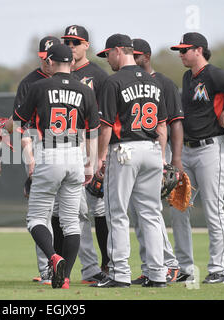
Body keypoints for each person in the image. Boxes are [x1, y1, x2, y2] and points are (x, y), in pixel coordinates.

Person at [5, 43, 100, 289]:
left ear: (50, 61)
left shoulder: (38, 87)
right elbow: (92, 132)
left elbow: (19, 122)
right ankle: (65, 277)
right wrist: (90, 165)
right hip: (75, 156)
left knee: (36, 218)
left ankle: (53, 257)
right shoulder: (85, 89)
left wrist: (27, 156)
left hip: (49, 152)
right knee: (71, 222)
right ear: (71, 62)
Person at [169, 32, 224, 284]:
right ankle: (184, 267)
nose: (181, 54)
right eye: (179, 50)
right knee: (178, 207)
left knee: (213, 210)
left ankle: (218, 269)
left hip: (210, 149)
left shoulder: (214, 74)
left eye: (184, 50)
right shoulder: (188, 77)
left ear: (199, 50)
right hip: (187, 149)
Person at [91, 34, 168, 288]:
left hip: (125, 150)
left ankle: (119, 273)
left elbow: (104, 128)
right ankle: (158, 273)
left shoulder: (114, 82)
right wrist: (163, 158)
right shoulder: (153, 82)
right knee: (152, 215)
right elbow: (163, 125)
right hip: (153, 149)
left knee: (117, 214)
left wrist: (100, 159)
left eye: (107, 54)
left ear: (117, 51)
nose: (107, 60)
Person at [51, 25, 110, 284]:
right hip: (66, 153)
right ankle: (85, 269)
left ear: (87, 45)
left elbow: (105, 119)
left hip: (92, 151)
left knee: (100, 212)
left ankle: (108, 265)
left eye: (76, 42)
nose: (71, 45)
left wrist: (99, 158)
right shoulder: (57, 76)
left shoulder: (99, 75)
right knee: (74, 214)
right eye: (67, 41)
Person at [129, 38, 184, 284]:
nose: (133, 59)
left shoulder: (164, 83)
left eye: (137, 55)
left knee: (151, 212)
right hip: (135, 155)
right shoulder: (125, 82)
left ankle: (169, 264)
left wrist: (174, 159)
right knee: (138, 214)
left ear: (147, 57)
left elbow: (175, 124)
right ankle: (151, 267)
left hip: (157, 154)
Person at [14, 36, 61, 285]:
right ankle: (47, 269)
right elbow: (21, 125)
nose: (46, 63)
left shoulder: (68, 81)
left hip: (69, 150)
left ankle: (89, 269)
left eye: (50, 59)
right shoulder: (29, 82)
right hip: (40, 147)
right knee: (41, 214)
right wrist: (30, 158)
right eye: (43, 58)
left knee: (73, 214)